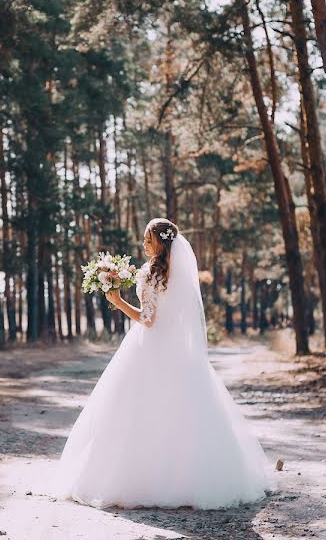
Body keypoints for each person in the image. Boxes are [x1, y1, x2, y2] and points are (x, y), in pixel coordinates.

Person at [50, 218, 276, 510]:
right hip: (180, 351)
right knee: (187, 412)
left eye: (146, 239)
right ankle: (192, 480)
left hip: (149, 347)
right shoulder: (178, 272)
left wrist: (116, 300)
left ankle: (137, 479)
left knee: (136, 409)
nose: (143, 244)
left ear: (158, 241)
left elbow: (147, 319)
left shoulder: (150, 273)